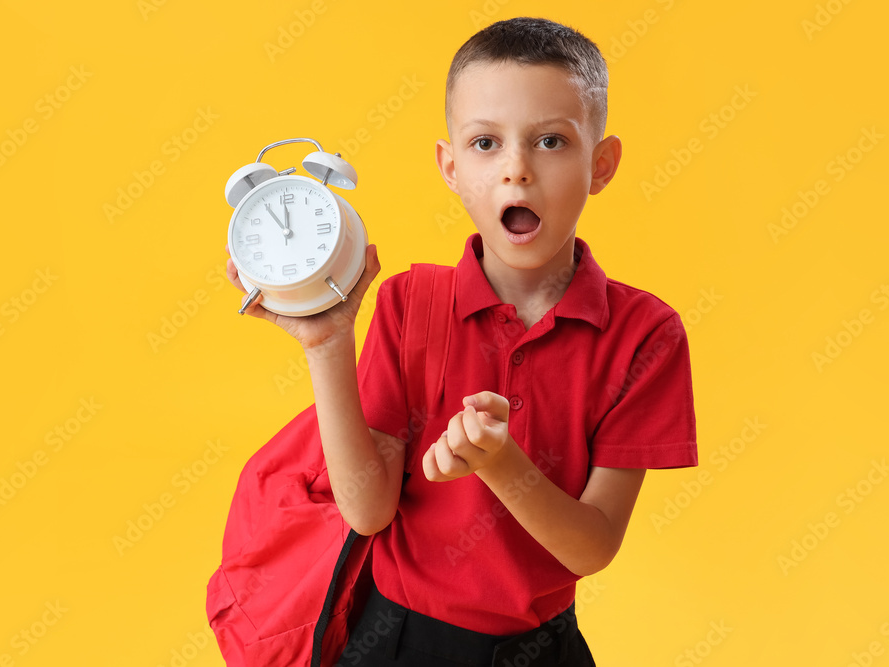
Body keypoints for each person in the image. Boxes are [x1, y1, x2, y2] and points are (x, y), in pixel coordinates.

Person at [226, 16, 698, 667]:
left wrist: (499, 462)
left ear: (602, 163)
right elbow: (366, 510)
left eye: (552, 141)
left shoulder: (646, 334)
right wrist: (327, 341)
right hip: (395, 642)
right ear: (449, 166)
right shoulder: (407, 303)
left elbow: (592, 547)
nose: (517, 170)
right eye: (485, 144)